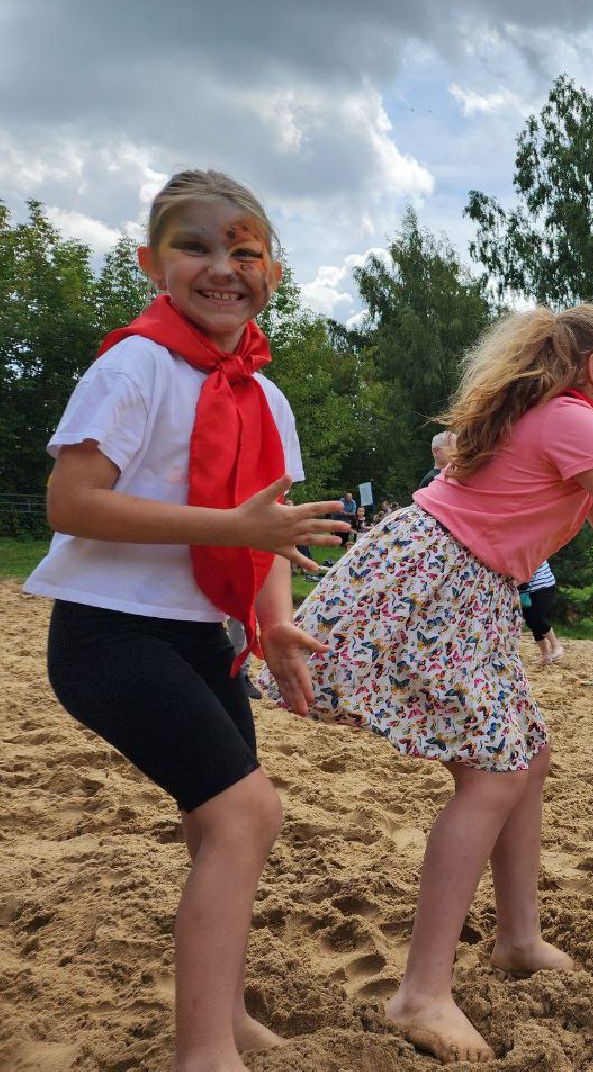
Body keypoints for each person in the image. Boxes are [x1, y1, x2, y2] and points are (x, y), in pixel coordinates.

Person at [261, 305, 593, 1063]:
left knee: (528, 757)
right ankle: (421, 991)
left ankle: (517, 939)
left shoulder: (568, 426)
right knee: (492, 775)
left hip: (467, 586)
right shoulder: (572, 418)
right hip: (445, 578)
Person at [22, 169, 351, 1071]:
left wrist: (273, 623)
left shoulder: (267, 398)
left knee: (222, 828)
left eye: (244, 251)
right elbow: (71, 502)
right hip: (107, 632)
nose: (221, 268)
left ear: (272, 272)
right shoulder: (134, 364)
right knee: (248, 816)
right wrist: (234, 529)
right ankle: (203, 1053)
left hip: (205, 636)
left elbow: (269, 531)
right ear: (150, 262)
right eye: (195, 247)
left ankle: (225, 1016)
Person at [519, 558, 563, 664]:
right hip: (523, 591)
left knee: (537, 618)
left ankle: (556, 645)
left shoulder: (527, 544)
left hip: (542, 585)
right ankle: (545, 656)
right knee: (531, 621)